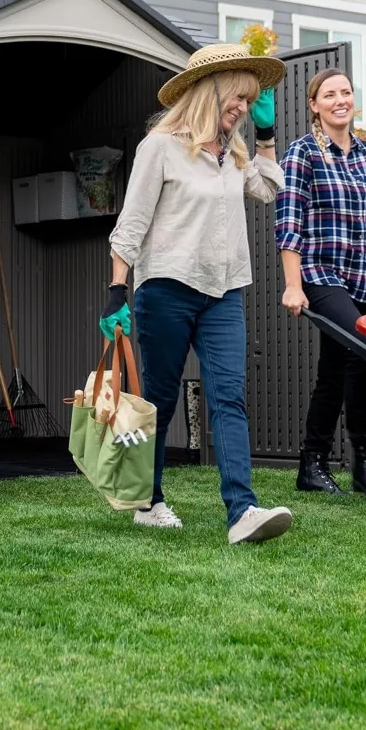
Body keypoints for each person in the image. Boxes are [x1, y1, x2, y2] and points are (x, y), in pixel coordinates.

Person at [100, 43, 293, 546]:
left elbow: (269, 190)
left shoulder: (235, 154)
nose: (243, 108)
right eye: (238, 98)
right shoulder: (161, 147)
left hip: (223, 291)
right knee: (161, 400)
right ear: (210, 91)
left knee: (229, 396)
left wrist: (266, 136)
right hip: (167, 288)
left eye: (250, 101)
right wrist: (116, 291)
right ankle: (148, 500)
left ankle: (242, 510)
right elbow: (132, 223)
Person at [275, 67, 366, 498]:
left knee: (335, 369)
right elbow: (289, 223)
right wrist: (293, 285)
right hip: (319, 275)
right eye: (330, 94)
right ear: (314, 105)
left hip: (358, 278)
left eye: (346, 92)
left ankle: (313, 464)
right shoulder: (302, 153)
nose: (340, 100)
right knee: (364, 351)